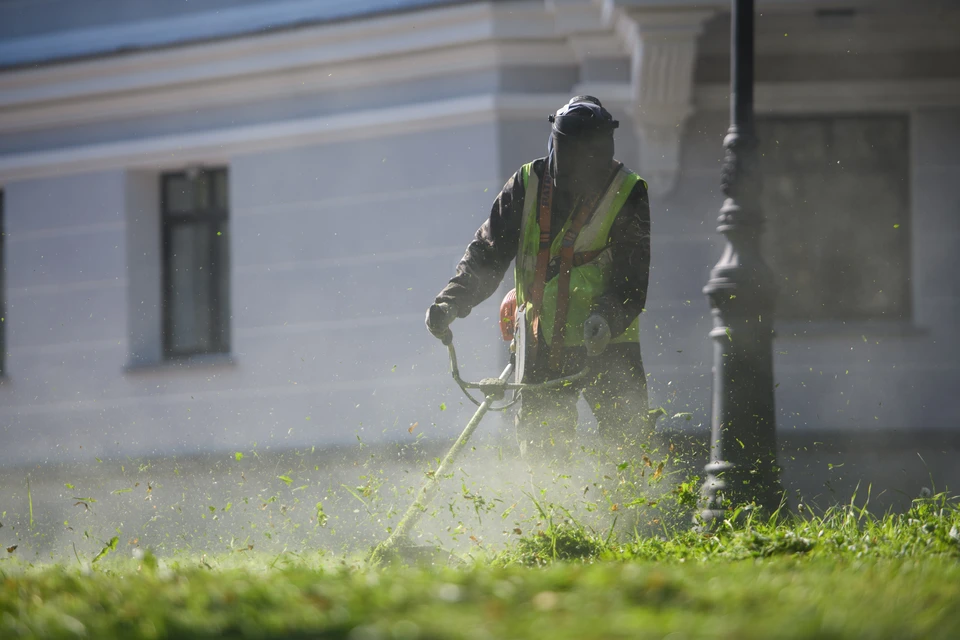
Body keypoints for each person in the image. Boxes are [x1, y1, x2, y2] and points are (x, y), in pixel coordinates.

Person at [425, 95, 652, 476]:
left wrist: (607, 317)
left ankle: (634, 521)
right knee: (542, 453)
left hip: (608, 342)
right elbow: (487, 254)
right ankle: (550, 528)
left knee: (628, 444)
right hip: (541, 340)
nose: (581, 172)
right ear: (556, 145)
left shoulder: (628, 192)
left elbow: (632, 276)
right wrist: (451, 302)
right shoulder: (526, 186)